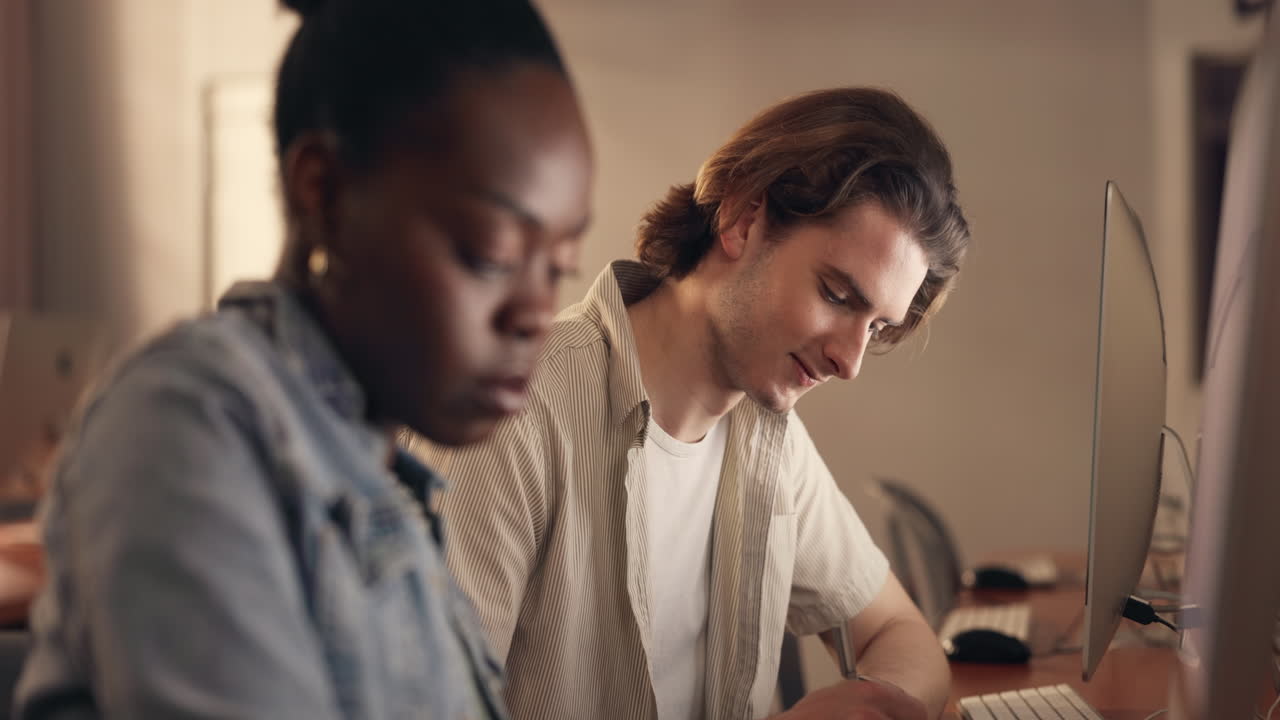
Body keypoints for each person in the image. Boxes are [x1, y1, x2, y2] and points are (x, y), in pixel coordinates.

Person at [15, 0, 592, 717]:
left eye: (559, 264)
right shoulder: (188, 422)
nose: (536, 313)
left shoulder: (396, 489)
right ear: (323, 188)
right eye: (492, 255)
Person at [415, 87, 971, 720]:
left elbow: (899, 631)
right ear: (742, 219)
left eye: (876, 327)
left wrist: (871, 706)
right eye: (838, 295)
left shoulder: (770, 438)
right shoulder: (509, 409)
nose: (850, 362)